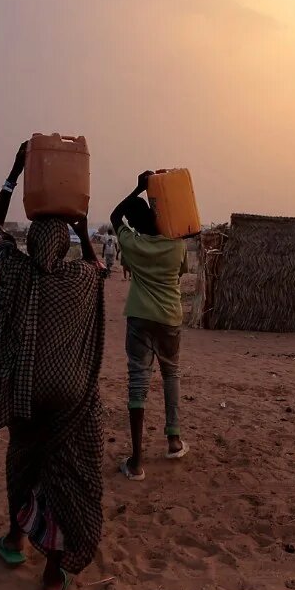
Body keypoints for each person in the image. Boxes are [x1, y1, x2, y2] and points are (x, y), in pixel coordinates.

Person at [0, 142, 108, 590]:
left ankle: (15, 539)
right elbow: (97, 266)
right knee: (64, 471)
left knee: (23, 463)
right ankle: (52, 573)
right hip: (70, 394)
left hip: (26, 392)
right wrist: (83, 230)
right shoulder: (80, 280)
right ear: (63, 246)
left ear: (30, 243)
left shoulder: (14, 270)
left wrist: (15, 170)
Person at [110, 171, 188, 481]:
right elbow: (181, 274)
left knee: (138, 383)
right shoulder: (177, 246)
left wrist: (137, 187)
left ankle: (137, 461)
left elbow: (116, 215)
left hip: (139, 319)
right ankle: (174, 440)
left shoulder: (131, 244)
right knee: (171, 375)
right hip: (170, 318)